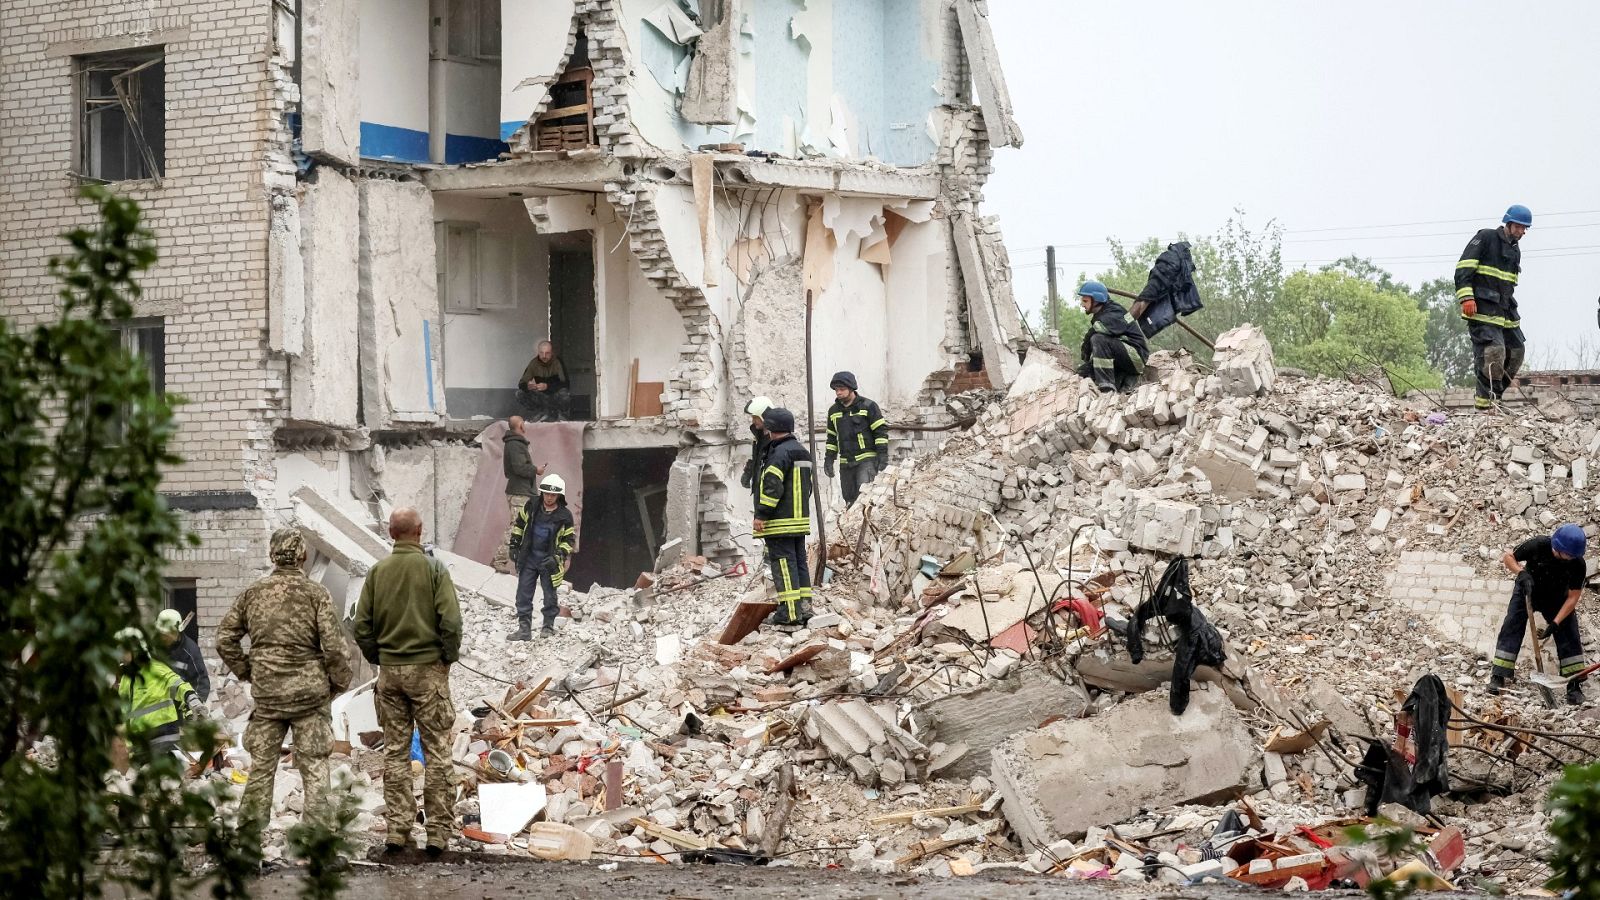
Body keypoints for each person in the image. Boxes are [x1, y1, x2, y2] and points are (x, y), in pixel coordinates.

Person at [216, 527, 355, 832]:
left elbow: (224, 639)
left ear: (272, 555)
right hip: (310, 697)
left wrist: (248, 672)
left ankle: (248, 844)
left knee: (261, 770)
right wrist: (337, 685)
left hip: (268, 698)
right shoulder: (316, 594)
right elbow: (334, 648)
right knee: (315, 768)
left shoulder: (252, 594)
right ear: (303, 557)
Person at [353, 508, 463, 857]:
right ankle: (437, 833)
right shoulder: (433, 570)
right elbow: (451, 621)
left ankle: (398, 831)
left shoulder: (377, 572)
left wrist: (379, 657)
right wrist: (446, 657)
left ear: (390, 533)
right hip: (427, 672)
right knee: (437, 754)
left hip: (390, 676)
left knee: (396, 754)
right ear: (420, 530)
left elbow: (361, 626)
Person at [1488, 524, 1588, 703]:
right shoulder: (1539, 545)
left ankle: (1573, 685)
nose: (1571, 558)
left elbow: (1573, 598)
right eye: (1568, 555)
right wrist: (1521, 574)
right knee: (1512, 624)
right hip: (1528, 589)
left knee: (1569, 632)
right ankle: (1499, 674)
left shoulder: (1577, 564)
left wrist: (1555, 623)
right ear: (1557, 547)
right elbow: (1508, 557)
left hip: (1556, 598)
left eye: (1574, 556)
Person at [1456, 205, 1530, 411]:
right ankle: (1485, 407)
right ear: (1509, 223)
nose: (1522, 232)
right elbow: (1463, 268)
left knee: (1516, 352)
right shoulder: (1486, 238)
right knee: (1493, 352)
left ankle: (1495, 397)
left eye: (1525, 229)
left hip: (1505, 312)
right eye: (1519, 227)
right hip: (1482, 310)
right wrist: (1466, 297)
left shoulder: (1515, 250)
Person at [755, 407, 815, 627]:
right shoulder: (801, 451)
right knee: (799, 563)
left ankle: (789, 613)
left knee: (783, 564)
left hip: (780, 521)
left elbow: (772, 488)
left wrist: (761, 514)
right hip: (798, 520)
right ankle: (804, 607)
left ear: (771, 428)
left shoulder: (779, 453)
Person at [116, 626, 207, 760]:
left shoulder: (155, 669)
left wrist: (192, 699)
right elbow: (125, 713)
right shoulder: (126, 678)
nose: (120, 654)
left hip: (163, 735)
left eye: (123, 650)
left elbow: (177, 684)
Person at [506, 474, 577, 641]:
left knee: (550, 595)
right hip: (529, 558)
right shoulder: (532, 505)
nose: (549, 497)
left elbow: (569, 540)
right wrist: (514, 544)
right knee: (523, 594)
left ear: (559, 496)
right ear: (542, 493)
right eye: (546, 493)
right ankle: (524, 629)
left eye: (553, 495)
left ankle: (548, 627)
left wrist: (558, 557)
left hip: (549, 561)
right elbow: (520, 524)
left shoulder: (565, 516)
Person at [823, 372, 888, 508]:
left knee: (865, 499)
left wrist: (883, 456)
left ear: (851, 388)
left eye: (841, 389)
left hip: (866, 461)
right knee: (850, 501)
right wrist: (829, 460)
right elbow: (831, 438)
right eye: (836, 390)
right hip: (846, 464)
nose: (838, 393)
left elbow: (880, 432)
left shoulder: (868, 406)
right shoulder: (833, 411)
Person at [1075, 280, 1149, 394]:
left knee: (1097, 339)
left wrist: (1086, 346)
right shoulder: (1103, 314)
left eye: (1085, 301)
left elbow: (1096, 331)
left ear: (1096, 300)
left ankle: (1106, 388)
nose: (1082, 304)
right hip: (1124, 357)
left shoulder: (1114, 312)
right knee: (1082, 372)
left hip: (1137, 357)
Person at [492, 416, 543, 574]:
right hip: (520, 492)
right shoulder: (515, 444)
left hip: (523, 491)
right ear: (520, 425)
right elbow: (519, 468)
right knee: (517, 526)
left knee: (526, 528)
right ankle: (500, 560)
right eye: (524, 422)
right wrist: (536, 470)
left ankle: (524, 565)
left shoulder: (515, 443)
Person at [154, 608, 211, 702]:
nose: (162, 638)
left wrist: (196, 703)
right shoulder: (152, 646)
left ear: (176, 632)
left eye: (166, 635)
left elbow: (202, 682)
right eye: (161, 634)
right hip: (156, 705)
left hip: (179, 704)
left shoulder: (190, 651)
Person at [516, 340, 570, 422]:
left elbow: (565, 384)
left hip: (555, 394)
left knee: (564, 393)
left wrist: (548, 386)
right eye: (541, 353)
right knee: (520, 393)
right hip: (542, 395)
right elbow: (521, 383)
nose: (544, 356)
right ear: (538, 352)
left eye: (547, 353)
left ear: (552, 353)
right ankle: (541, 412)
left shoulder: (557, 362)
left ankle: (560, 414)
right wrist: (528, 386)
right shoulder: (533, 363)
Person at [739, 396, 773, 509]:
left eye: (755, 417)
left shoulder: (774, 439)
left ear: (764, 416)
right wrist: (749, 471)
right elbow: (759, 459)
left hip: (769, 494)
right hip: (759, 491)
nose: (753, 421)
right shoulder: (759, 437)